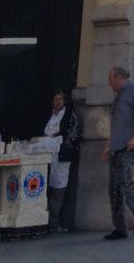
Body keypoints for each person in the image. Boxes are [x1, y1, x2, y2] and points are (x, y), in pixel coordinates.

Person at [101, 66, 134, 240]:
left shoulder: (133, 91)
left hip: (129, 146)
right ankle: (120, 229)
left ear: (118, 77)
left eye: (111, 79)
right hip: (116, 147)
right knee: (113, 188)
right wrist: (107, 146)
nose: (109, 83)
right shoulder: (117, 96)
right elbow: (116, 126)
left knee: (121, 183)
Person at [43, 89, 81, 232]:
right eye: (55, 99)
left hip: (62, 156)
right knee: (49, 187)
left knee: (59, 188)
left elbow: (73, 135)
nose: (58, 102)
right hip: (49, 155)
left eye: (60, 99)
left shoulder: (69, 116)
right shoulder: (50, 116)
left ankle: (55, 221)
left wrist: (62, 145)